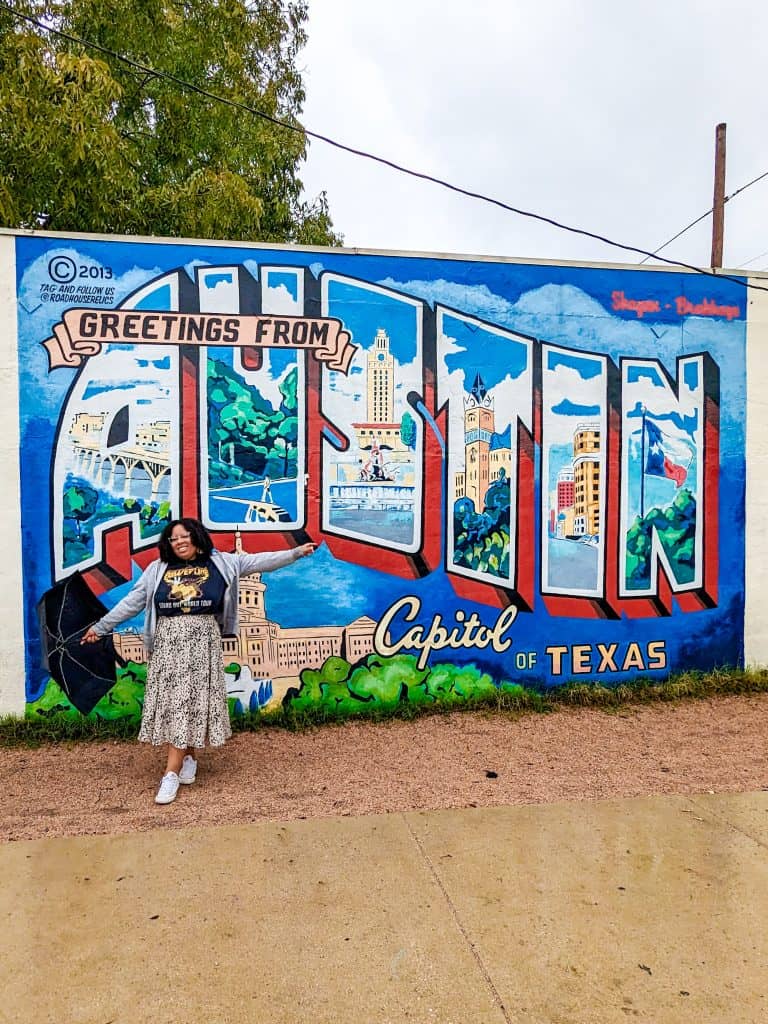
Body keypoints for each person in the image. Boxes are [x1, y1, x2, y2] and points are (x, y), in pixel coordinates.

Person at [82, 518, 315, 804]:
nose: (179, 542)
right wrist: (101, 627)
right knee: (177, 702)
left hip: (202, 641)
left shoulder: (223, 563)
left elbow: (259, 562)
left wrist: (294, 553)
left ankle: (171, 772)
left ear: (197, 537)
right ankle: (188, 757)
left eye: (184, 536)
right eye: (173, 538)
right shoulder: (157, 570)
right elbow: (132, 602)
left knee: (190, 700)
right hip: (168, 641)